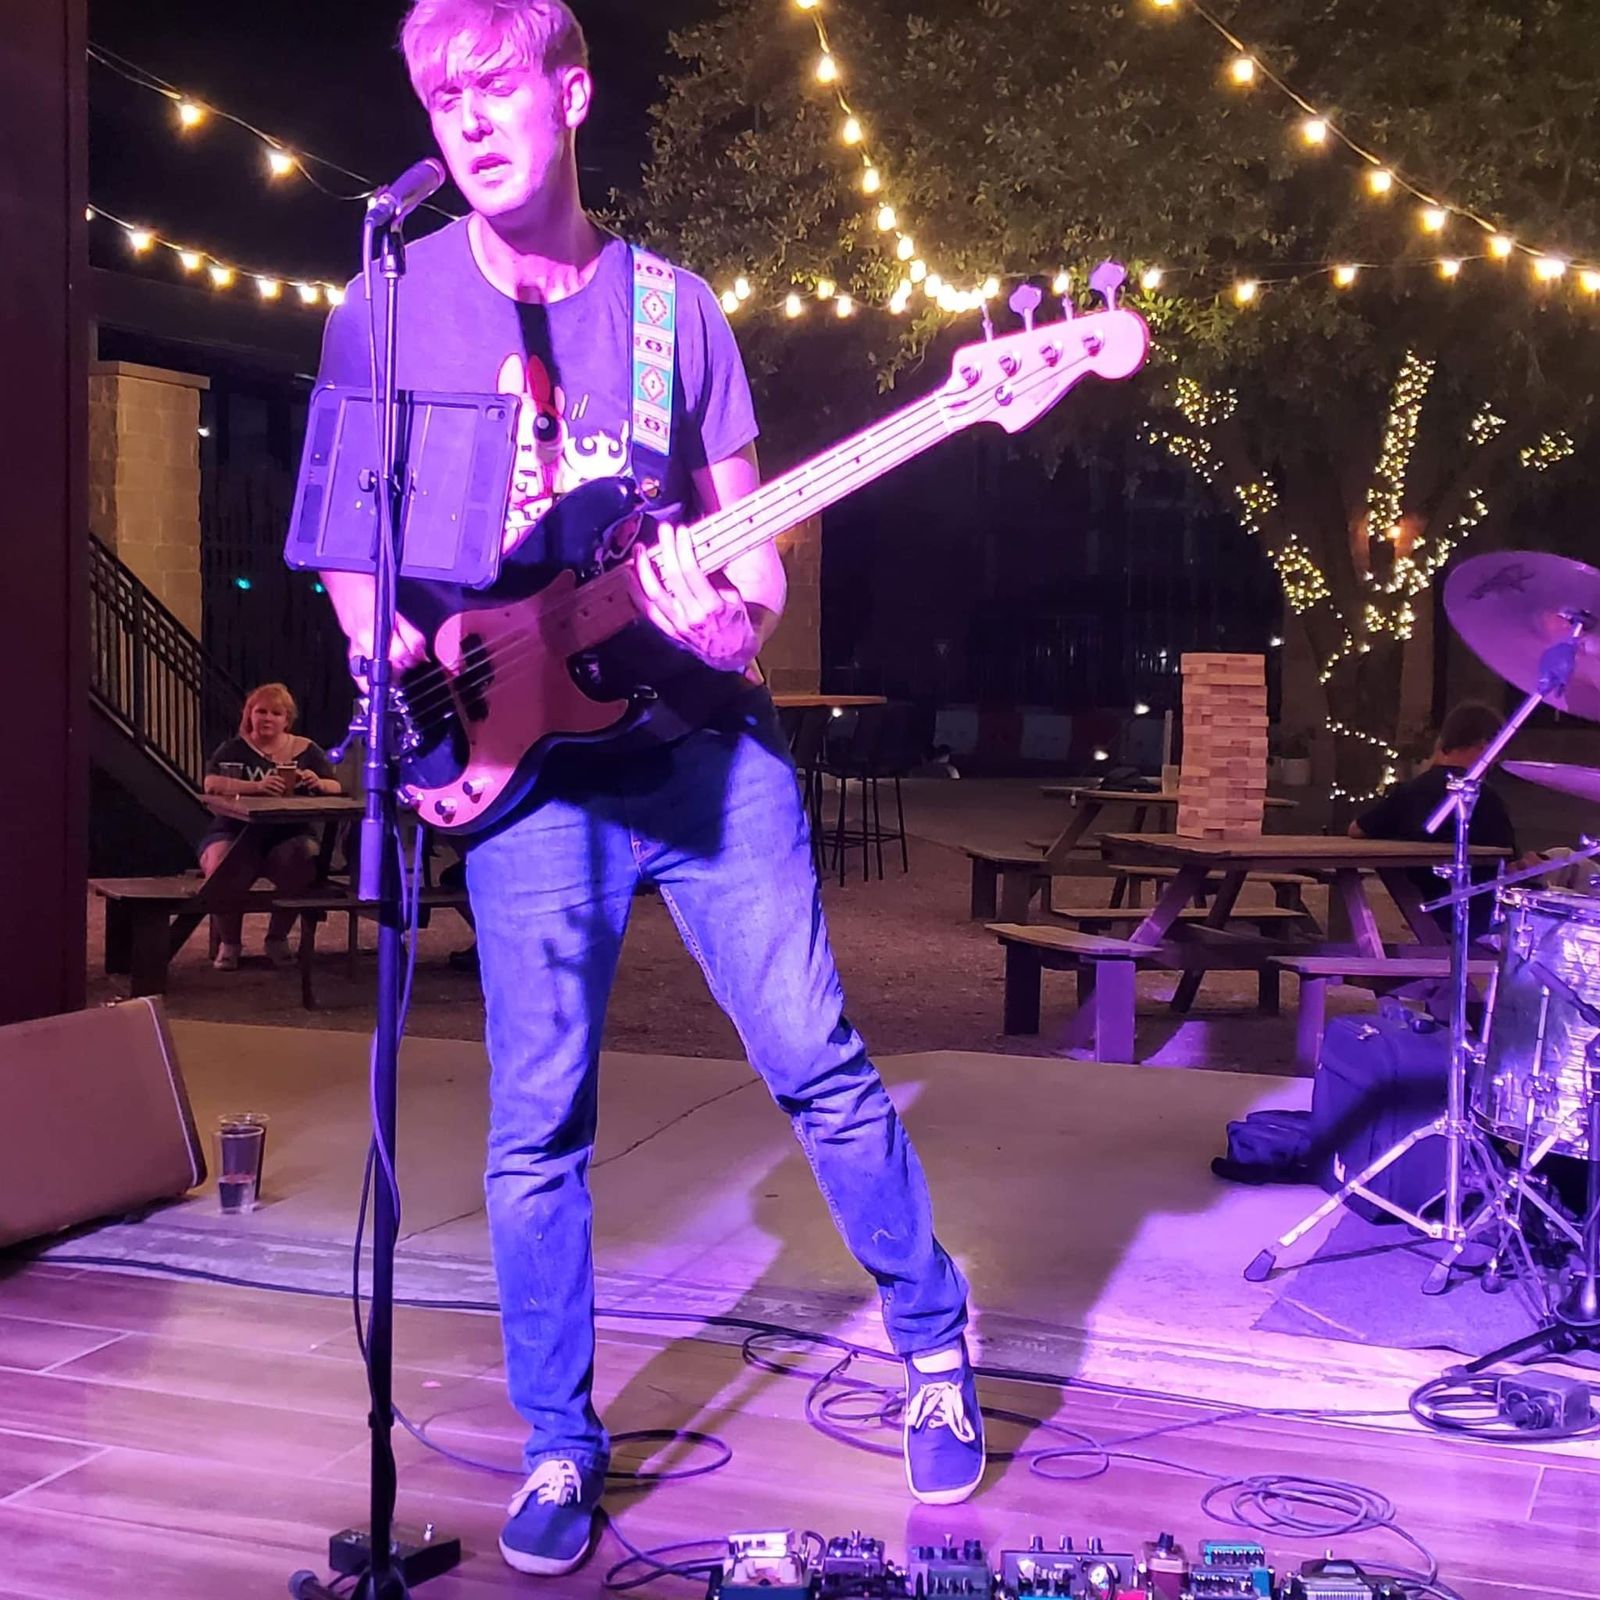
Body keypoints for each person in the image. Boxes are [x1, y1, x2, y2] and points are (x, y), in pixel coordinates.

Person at [311, 0, 980, 1576]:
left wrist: (726, 619)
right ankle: (560, 1440)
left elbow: (759, 565)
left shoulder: (679, 313)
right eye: (444, 98)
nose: (472, 122)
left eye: (498, 87)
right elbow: (346, 537)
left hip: (700, 756)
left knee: (815, 1059)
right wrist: (384, 647)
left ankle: (935, 1346)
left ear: (573, 94)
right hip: (519, 769)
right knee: (535, 1127)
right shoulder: (385, 305)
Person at [200, 682, 342, 970]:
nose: (267, 718)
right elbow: (210, 783)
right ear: (249, 715)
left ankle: (277, 938)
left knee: (303, 859)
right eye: (261, 711)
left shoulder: (305, 748)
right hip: (234, 829)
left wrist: (318, 782)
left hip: (288, 832)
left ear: (286, 720)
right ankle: (230, 943)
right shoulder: (234, 748)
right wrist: (256, 787)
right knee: (221, 863)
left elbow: (335, 785)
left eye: (276, 713)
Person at [1349, 701, 1517, 938]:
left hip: (1427, 906)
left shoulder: (1409, 792)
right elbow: (1513, 865)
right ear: (1483, 746)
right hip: (1479, 917)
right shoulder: (1485, 799)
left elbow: (1357, 829)